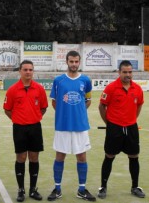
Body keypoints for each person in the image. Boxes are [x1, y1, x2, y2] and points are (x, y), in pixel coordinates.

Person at [47, 50, 96, 202]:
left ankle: (82, 189)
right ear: (67, 62)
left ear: (79, 62)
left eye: (76, 62)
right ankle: (57, 188)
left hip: (80, 125)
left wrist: (77, 112)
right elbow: (54, 102)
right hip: (62, 125)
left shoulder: (86, 80)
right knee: (60, 155)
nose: (73, 64)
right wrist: (65, 113)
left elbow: (87, 100)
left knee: (81, 156)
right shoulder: (59, 81)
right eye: (71, 61)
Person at [97, 60, 145, 199]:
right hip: (114, 128)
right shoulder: (111, 88)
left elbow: (139, 105)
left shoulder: (137, 89)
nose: (128, 74)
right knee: (109, 156)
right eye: (125, 72)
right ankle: (103, 187)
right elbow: (101, 106)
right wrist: (110, 123)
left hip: (131, 128)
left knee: (134, 157)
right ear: (119, 72)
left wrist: (132, 120)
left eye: (130, 72)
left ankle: (135, 187)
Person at [4, 60, 48, 202]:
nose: (28, 72)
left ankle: (33, 189)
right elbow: (7, 109)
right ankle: (21, 190)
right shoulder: (12, 90)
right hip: (19, 128)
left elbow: (43, 107)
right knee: (21, 158)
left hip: (35, 127)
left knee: (34, 158)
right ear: (20, 71)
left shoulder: (39, 89)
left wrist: (34, 117)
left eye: (30, 69)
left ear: (33, 71)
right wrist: (18, 119)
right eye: (25, 69)